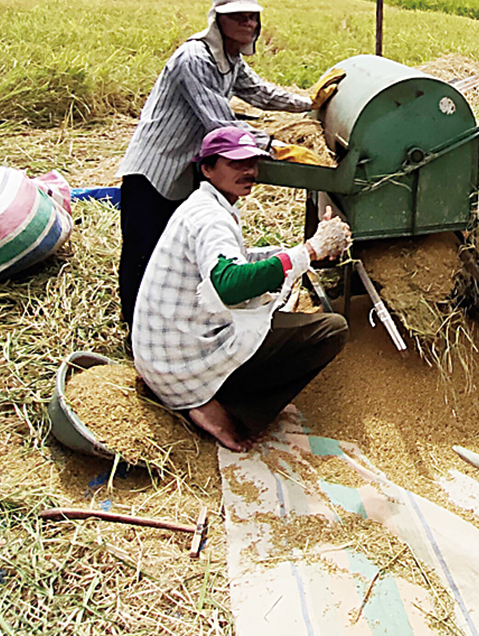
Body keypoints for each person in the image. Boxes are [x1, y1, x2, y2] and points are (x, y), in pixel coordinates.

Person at [116, 0, 340, 326]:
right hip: (155, 167)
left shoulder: (230, 59)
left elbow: (260, 93)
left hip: (186, 167)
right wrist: (274, 146)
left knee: (175, 251)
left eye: (252, 17)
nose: (248, 24)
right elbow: (219, 122)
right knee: (142, 251)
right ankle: (135, 326)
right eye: (238, 17)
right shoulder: (194, 58)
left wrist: (308, 102)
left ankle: (170, 318)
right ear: (217, 21)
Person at [132, 127, 352, 451]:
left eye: (252, 162)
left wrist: (305, 251)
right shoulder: (211, 219)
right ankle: (224, 409)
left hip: (161, 355)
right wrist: (310, 251)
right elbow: (231, 285)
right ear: (207, 168)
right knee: (331, 330)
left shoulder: (205, 204)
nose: (248, 171)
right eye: (235, 163)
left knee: (272, 309)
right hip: (180, 368)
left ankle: (212, 395)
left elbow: (241, 261)